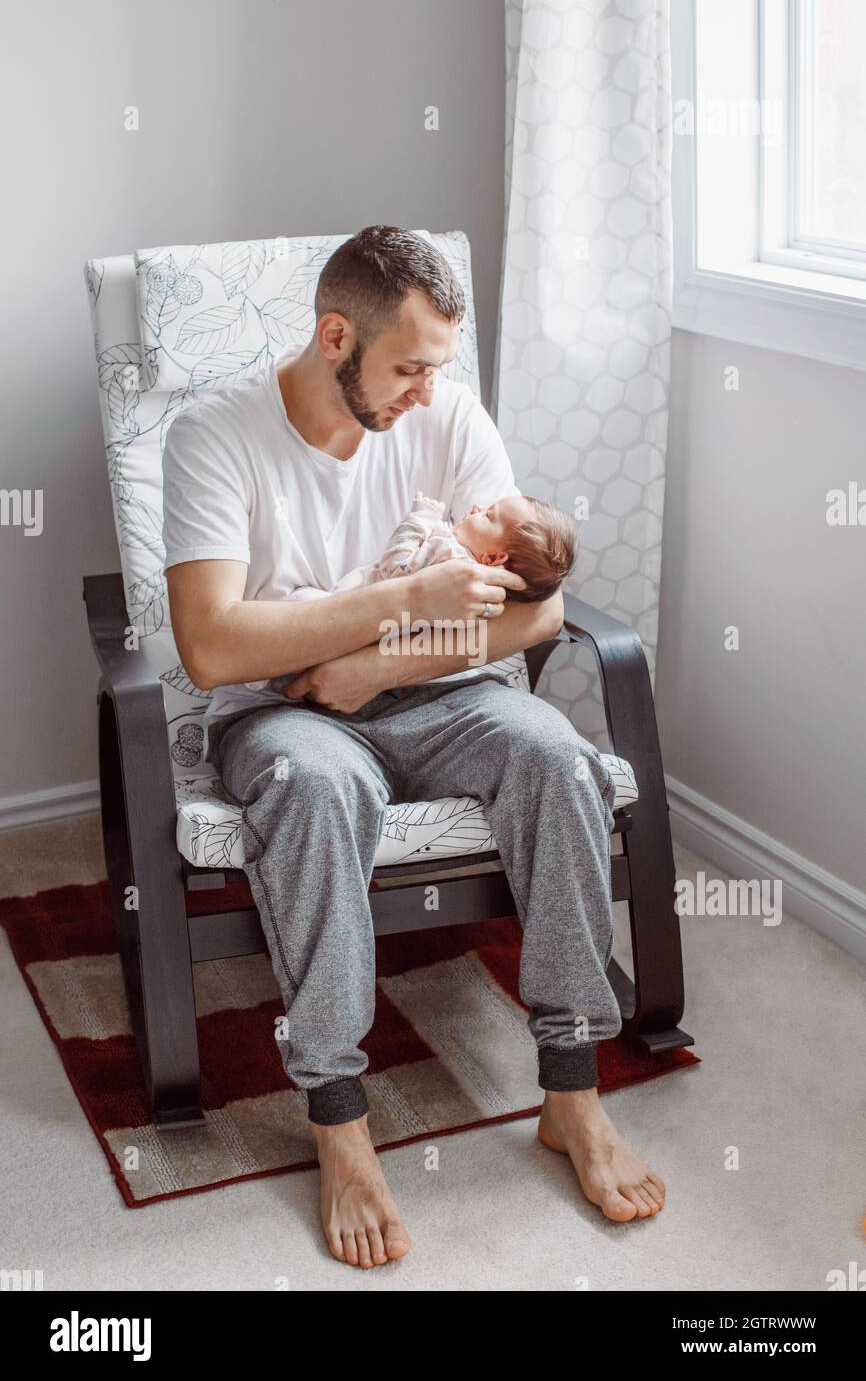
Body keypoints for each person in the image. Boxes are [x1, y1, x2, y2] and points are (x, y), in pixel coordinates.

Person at [163, 224, 666, 1270]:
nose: (426, 394)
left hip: (433, 691)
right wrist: (401, 603)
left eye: (438, 366)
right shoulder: (214, 436)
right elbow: (214, 645)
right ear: (334, 336)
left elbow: (535, 611)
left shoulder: (444, 410)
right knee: (311, 786)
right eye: (407, 368)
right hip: (284, 712)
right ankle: (340, 1123)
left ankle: (570, 1094)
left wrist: (376, 666)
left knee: (558, 760)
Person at [243, 489, 576, 694]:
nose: (476, 507)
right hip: (374, 639)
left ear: (494, 557)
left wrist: (419, 518)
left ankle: (258, 672)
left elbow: (395, 568)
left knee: (297, 607)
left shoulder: (451, 558)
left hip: (348, 617)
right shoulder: (487, 596)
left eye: (489, 514)